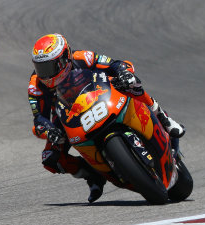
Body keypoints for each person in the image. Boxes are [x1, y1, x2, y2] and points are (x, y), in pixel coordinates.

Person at [28, 33, 185, 203]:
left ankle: (163, 118)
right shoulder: (35, 85)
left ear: (65, 58)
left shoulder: (82, 57)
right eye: (40, 68)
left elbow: (114, 64)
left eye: (50, 67)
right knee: (49, 158)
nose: (45, 74)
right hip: (66, 114)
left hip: (100, 93)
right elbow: (39, 119)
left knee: (131, 83)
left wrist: (123, 72)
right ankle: (92, 175)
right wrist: (48, 130)